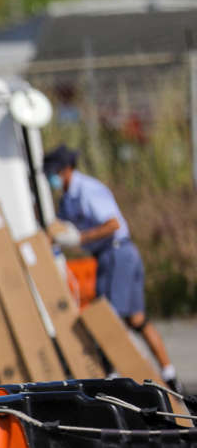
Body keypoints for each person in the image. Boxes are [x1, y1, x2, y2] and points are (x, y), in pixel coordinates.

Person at [43, 144, 179, 389]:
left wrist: (81, 239)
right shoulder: (68, 198)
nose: (50, 179)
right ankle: (169, 376)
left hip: (117, 253)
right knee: (136, 319)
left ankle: (113, 379)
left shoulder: (87, 190)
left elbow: (113, 224)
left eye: (52, 173)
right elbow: (58, 227)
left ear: (64, 170)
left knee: (108, 320)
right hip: (112, 255)